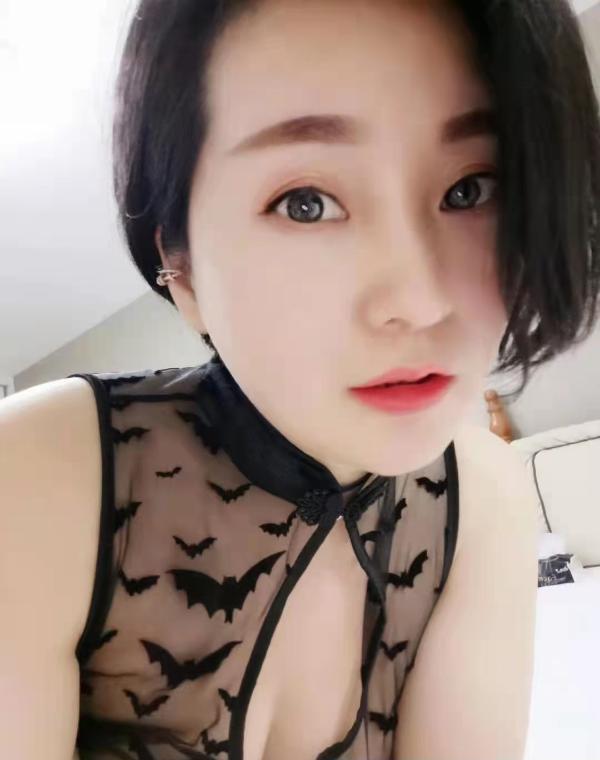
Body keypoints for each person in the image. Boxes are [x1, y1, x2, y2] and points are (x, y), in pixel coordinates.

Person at [1, 0, 599, 759]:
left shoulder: (482, 498)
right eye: (306, 203)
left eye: (471, 189)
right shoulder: (40, 475)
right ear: (181, 269)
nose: (419, 301)